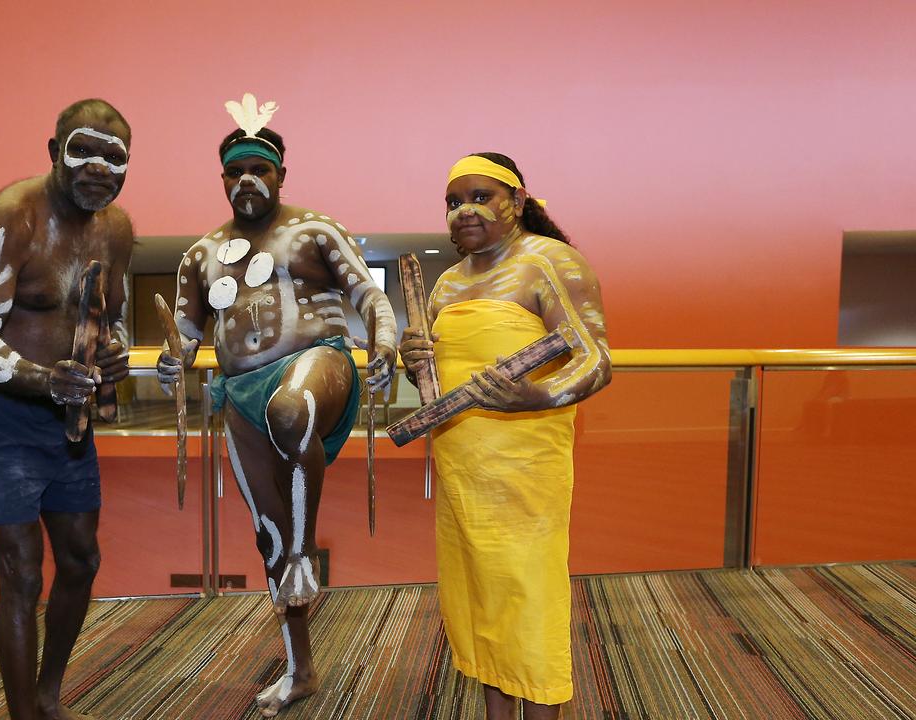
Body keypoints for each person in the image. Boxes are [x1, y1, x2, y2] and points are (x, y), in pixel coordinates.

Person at [158, 105, 397, 717]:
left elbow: (367, 292)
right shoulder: (201, 254)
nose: (246, 181)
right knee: (265, 534)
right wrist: (174, 355)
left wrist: (385, 339)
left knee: (292, 410)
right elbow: (186, 328)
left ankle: (303, 551)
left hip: (317, 363)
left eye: (258, 170)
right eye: (234, 172)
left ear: (281, 174)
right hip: (238, 390)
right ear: (222, 179)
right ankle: (300, 668)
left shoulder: (315, 231)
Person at [399, 153, 611, 720]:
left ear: (517, 203)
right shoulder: (443, 285)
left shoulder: (549, 262)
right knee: (477, 597)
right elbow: (440, 379)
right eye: (452, 202)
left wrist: (536, 396)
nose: (463, 211)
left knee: (526, 593)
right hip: (460, 465)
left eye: (479, 197)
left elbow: (596, 359)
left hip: (525, 466)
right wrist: (412, 360)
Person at [0, 98, 134, 720]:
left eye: (115, 158)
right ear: (53, 148)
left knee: (81, 559)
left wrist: (114, 354)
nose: (99, 168)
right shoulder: (11, 217)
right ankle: (23, 712)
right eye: (84, 150)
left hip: (70, 420)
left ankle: (49, 694)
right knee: (23, 574)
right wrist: (40, 377)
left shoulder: (117, 229)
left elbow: (113, 319)